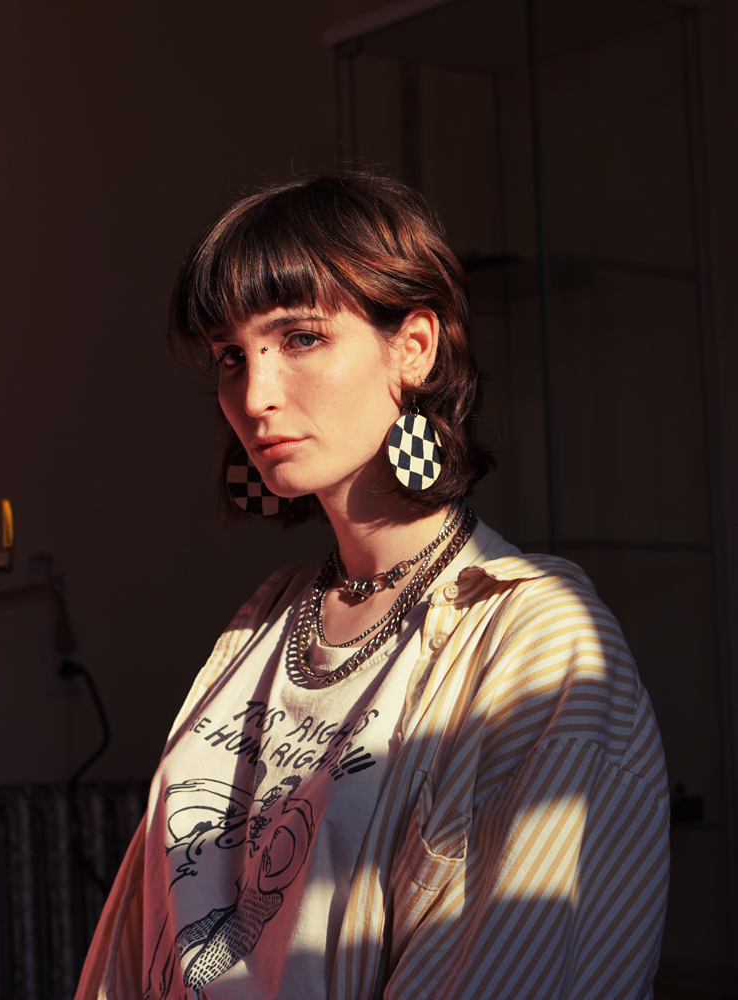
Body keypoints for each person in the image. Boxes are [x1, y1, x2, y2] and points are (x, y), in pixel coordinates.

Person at [75, 175, 669, 1000]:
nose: (255, 395)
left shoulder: (534, 634)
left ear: (413, 346)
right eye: (230, 356)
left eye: (302, 338)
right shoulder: (265, 621)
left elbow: (515, 963)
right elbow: (139, 939)